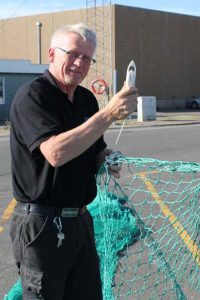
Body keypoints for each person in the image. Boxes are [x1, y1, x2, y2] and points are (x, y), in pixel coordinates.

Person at [9, 23, 138, 299]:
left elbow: (94, 150)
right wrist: (109, 114)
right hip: (41, 224)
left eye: (87, 58)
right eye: (73, 54)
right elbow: (56, 153)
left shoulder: (86, 100)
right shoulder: (33, 96)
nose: (80, 63)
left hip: (80, 220)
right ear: (52, 54)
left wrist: (108, 158)